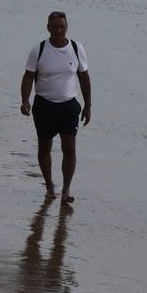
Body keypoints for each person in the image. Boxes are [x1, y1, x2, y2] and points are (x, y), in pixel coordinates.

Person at [20, 12, 91, 205]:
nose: (59, 30)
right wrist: (25, 100)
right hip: (44, 106)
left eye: (62, 26)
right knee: (44, 148)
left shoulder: (76, 48)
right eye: (55, 27)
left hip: (69, 107)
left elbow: (84, 78)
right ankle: (50, 186)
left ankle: (66, 190)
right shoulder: (39, 49)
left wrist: (88, 106)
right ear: (48, 28)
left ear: (67, 26)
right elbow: (28, 76)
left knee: (69, 147)